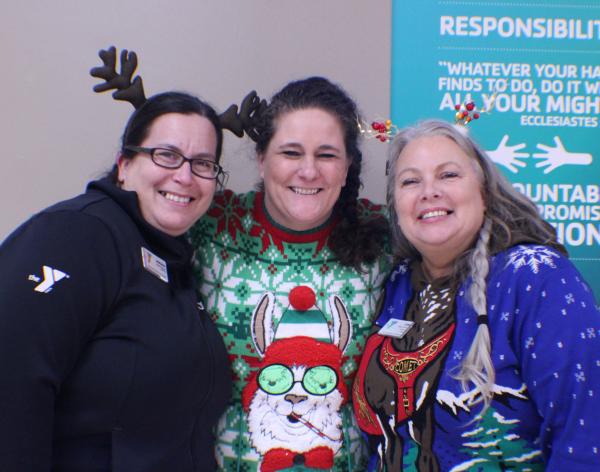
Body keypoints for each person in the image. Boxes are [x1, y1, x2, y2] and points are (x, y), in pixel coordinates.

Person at [0, 91, 231, 471]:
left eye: (203, 163)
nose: (185, 176)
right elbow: (12, 379)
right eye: (167, 155)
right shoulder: (79, 233)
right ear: (124, 165)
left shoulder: (174, 262)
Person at [352, 119, 600, 471]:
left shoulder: (535, 277)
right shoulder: (398, 283)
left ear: (484, 190)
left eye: (448, 175)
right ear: (395, 204)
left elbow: (586, 438)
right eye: (410, 181)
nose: (429, 192)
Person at [188, 77, 391, 471]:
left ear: (348, 166)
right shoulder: (211, 225)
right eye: (291, 152)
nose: (309, 170)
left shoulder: (381, 238)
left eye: (327, 155)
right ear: (262, 159)